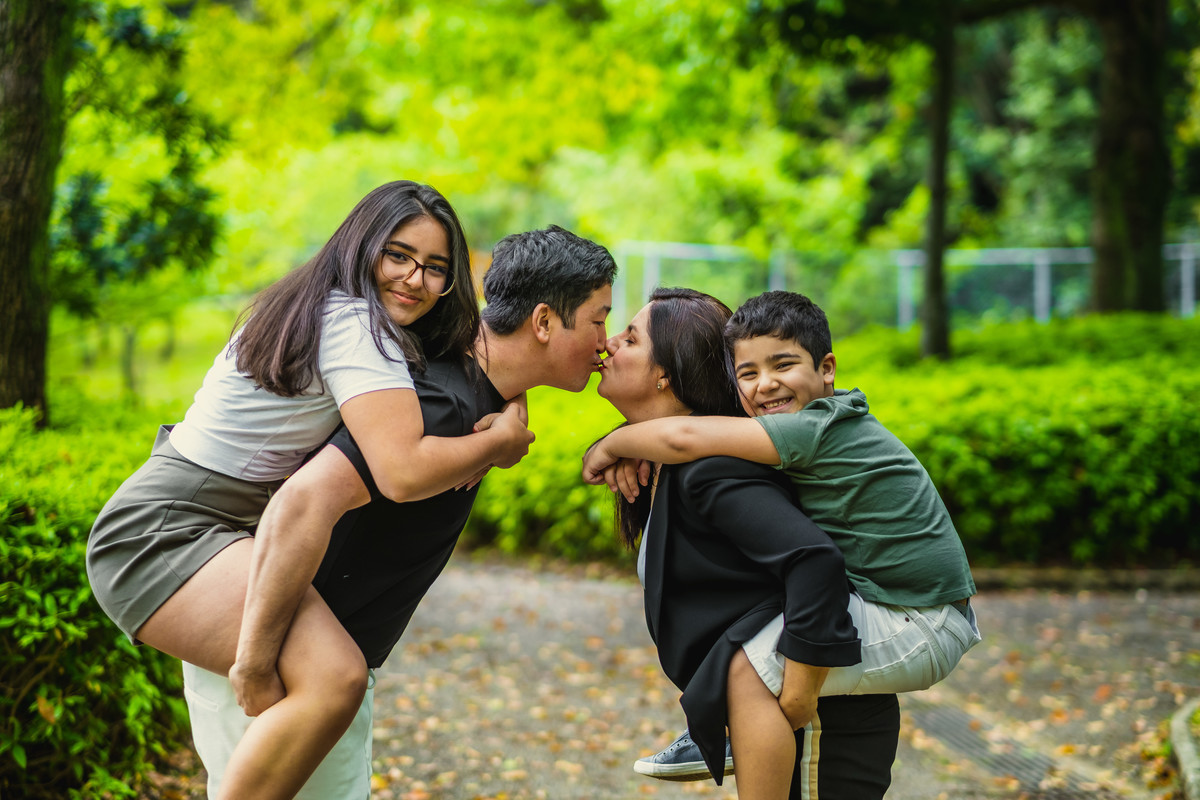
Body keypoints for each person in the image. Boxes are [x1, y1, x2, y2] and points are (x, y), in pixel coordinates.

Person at [86, 181, 535, 800]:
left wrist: (517, 394)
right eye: (399, 255)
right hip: (167, 532)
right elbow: (401, 470)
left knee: (329, 681)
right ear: (362, 245)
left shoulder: (332, 306)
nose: (415, 279)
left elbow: (480, 356)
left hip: (211, 525)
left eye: (436, 268)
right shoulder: (355, 327)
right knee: (333, 677)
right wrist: (499, 445)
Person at [180, 225, 618, 798]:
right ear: (542, 322)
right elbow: (301, 501)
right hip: (287, 664)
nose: (605, 340)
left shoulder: (469, 383)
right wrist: (256, 662)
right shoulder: (439, 400)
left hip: (317, 660)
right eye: (598, 318)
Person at [585, 290, 981, 790]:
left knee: (747, 669)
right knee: (742, 669)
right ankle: (725, 722)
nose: (610, 343)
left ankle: (732, 722)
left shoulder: (788, 437)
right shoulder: (753, 444)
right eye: (746, 373)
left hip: (918, 620)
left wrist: (796, 698)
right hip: (903, 611)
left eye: (631, 335)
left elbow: (813, 560)